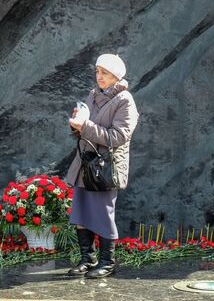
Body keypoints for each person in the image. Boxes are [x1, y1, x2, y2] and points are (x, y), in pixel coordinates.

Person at [65, 54, 139, 278]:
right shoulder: (92, 94)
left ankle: (108, 262)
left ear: (116, 76)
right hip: (85, 164)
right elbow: (85, 128)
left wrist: (85, 126)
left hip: (105, 168)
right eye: (97, 72)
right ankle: (88, 259)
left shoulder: (125, 100)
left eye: (104, 73)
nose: (99, 77)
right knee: (80, 212)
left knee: (103, 214)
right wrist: (77, 126)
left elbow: (119, 136)